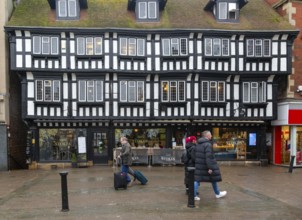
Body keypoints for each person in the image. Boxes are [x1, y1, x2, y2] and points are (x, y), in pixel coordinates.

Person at [194, 130, 227, 201]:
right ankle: (217, 193)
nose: (211, 136)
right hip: (206, 166)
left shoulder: (198, 143)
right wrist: (210, 167)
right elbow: (208, 157)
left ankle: (194, 195)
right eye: (210, 135)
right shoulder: (208, 144)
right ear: (207, 136)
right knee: (212, 178)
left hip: (200, 165)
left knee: (198, 179)